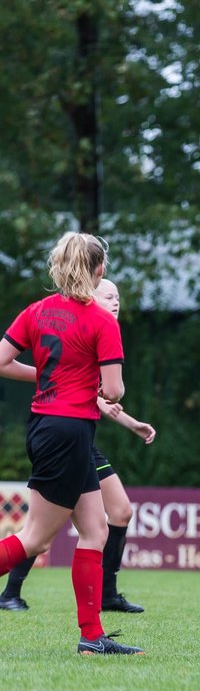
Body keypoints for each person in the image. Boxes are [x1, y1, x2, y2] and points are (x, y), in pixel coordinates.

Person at [0, 233, 143, 655]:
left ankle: (92, 637)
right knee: (35, 539)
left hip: (49, 427)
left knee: (95, 530)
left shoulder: (38, 310)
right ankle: (91, 636)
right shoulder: (102, 321)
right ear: (98, 270)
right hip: (69, 432)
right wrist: (91, 379)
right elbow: (113, 391)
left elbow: (2, 362)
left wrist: (50, 374)